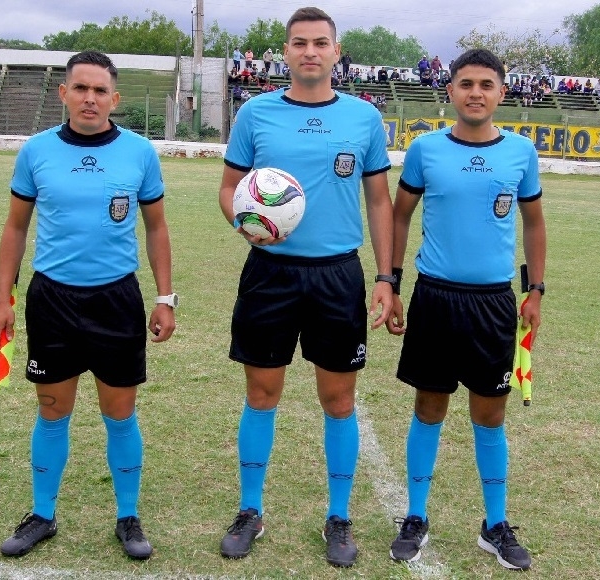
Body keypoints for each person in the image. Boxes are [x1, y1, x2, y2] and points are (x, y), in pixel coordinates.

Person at [216, 6, 394, 568]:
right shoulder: (256, 113)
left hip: (337, 275)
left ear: (336, 52)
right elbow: (228, 190)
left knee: (338, 400)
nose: (310, 51)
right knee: (261, 394)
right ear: (286, 52)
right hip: (270, 273)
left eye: (320, 42)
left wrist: (386, 277)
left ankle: (338, 516)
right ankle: (250, 510)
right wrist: (248, 224)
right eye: (300, 43)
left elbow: (379, 201)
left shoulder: (364, 118)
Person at [0, 50, 177, 561]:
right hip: (52, 299)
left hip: (116, 299)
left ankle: (128, 516)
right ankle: (42, 514)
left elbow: (157, 228)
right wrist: (3, 299)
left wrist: (165, 297)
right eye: (80, 88)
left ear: (114, 98)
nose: (90, 98)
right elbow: (15, 228)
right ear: (64, 93)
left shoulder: (139, 153)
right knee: (52, 411)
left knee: (120, 414)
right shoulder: (36, 151)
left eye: (99, 91)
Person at [385, 48, 546, 572]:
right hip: (435, 298)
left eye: (486, 84)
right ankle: (415, 516)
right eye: (466, 83)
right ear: (450, 90)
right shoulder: (425, 149)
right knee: (429, 406)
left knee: (490, 414)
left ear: (502, 92)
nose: (476, 92)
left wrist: (535, 290)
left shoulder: (520, 152)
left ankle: (495, 524)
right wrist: (392, 281)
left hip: (493, 303)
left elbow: (534, 223)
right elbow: (399, 217)